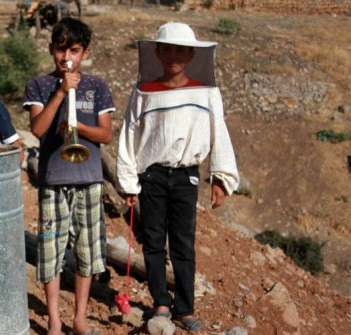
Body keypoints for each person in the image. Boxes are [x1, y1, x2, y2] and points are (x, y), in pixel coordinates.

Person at [115, 22, 239, 335]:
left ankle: (185, 307)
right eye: (167, 48)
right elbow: (130, 134)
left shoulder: (206, 91)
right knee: (154, 242)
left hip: (187, 176)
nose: (174, 55)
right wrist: (128, 182)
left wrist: (221, 177)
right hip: (152, 176)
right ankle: (160, 302)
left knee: (183, 243)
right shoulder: (144, 91)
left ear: (191, 53)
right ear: (157, 52)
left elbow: (217, 132)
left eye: (180, 49)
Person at [23, 17, 115, 335]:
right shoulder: (40, 85)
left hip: (88, 179)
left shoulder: (97, 87)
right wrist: (62, 92)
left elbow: (105, 135)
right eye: (61, 50)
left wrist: (78, 129)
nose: (67, 57)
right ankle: (53, 320)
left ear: (85, 52)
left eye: (74, 50)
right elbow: (37, 129)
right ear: (52, 49)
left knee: (87, 251)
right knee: (50, 251)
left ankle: (79, 317)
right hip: (53, 180)